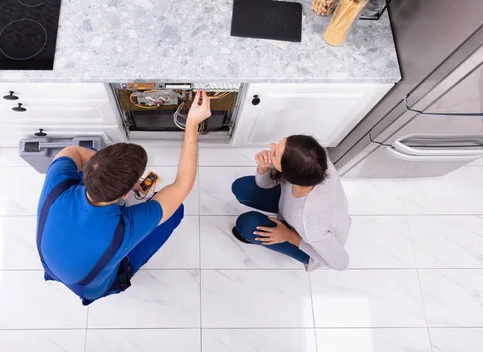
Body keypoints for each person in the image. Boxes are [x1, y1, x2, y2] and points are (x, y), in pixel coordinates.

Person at [36, 91, 211, 305]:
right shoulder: (123, 230)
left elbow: (73, 151)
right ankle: (119, 278)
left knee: (86, 152)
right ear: (126, 194)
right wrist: (192, 125)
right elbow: (183, 185)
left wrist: (116, 177)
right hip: (93, 287)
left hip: (52, 262)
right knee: (176, 210)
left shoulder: (57, 183)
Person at [231, 135, 351, 271]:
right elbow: (265, 184)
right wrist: (264, 168)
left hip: (307, 239)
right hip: (291, 207)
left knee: (247, 225)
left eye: (275, 153)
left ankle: (270, 236)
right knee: (241, 188)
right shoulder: (314, 161)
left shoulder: (311, 223)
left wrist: (290, 236)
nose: (272, 146)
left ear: (288, 173)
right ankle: (280, 218)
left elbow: (341, 263)